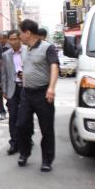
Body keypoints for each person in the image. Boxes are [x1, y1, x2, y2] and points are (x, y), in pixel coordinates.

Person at [17, 19, 59, 172]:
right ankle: (24, 152)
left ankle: (47, 160)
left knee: (46, 128)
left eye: (21, 32)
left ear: (28, 33)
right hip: (27, 93)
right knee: (21, 125)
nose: (19, 36)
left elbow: (54, 67)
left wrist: (51, 88)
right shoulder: (24, 49)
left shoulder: (47, 47)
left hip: (43, 93)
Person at [1, 30, 25, 155]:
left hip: (26, 88)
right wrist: (4, 90)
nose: (13, 41)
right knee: (13, 117)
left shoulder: (28, 52)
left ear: (20, 39)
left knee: (25, 117)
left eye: (15, 39)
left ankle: (26, 141)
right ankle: (14, 143)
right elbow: (4, 74)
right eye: (11, 39)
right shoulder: (6, 55)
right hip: (12, 89)